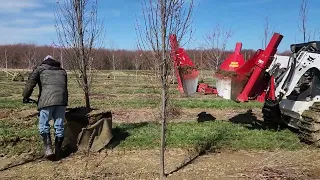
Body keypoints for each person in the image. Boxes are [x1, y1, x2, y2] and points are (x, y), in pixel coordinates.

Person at [22, 55, 68, 160]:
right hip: (62, 100)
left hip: (46, 101)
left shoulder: (40, 69)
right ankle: (58, 151)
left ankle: (48, 150)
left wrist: (25, 97)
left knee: (44, 125)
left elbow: (30, 83)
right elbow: (64, 86)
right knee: (59, 125)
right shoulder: (62, 71)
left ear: (45, 61)